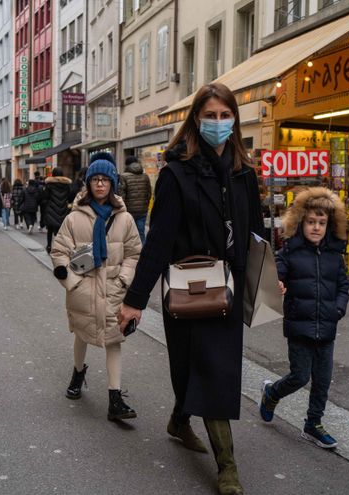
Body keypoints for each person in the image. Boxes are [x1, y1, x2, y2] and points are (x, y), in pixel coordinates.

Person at [117, 83, 263, 495]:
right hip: (189, 287)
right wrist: (134, 300)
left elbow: (256, 231)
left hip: (229, 287)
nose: (218, 123)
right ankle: (214, 451)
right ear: (195, 121)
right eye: (210, 116)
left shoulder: (243, 172)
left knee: (215, 370)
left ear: (234, 119)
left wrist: (268, 275)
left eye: (224, 115)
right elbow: (158, 241)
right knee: (192, 368)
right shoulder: (176, 174)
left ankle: (216, 454)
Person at [50, 153, 142, 421]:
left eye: (105, 180)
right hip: (84, 289)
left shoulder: (124, 219)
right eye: (95, 179)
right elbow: (59, 252)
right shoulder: (74, 218)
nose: (100, 184)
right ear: (88, 183)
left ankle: (115, 398)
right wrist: (73, 283)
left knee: (115, 340)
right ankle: (78, 373)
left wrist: (124, 278)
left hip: (114, 289)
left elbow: (134, 253)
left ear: (113, 183)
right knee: (82, 334)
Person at [257, 187, 349, 450]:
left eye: (322, 223)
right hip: (299, 326)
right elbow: (278, 274)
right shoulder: (290, 252)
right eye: (311, 222)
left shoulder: (334, 254)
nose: (316, 228)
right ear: (301, 222)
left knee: (322, 380)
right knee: (299, 377)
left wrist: (338, 310)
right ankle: (271, 393)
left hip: (327, 327)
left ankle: (313, 424)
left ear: (330, 225)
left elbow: (343, 286)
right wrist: (278, 283)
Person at [119, 156, 152, 243]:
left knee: (128, 235)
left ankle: (132, 254)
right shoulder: (145, 176)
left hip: (129, 211)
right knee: (141, 233)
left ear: (126, 165)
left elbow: (121, 195)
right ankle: (142, 254)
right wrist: (145, 205)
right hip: (142, 210)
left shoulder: (123, 176)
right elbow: (149, 193)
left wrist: (122, 209)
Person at [41, 167, 73, 253]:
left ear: (53, 174)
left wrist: (46, 206)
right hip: (63, 210)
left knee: (50, 230)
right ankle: (59, 248)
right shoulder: (67, 185)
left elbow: (45, 198)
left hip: (51, 209)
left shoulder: (49, 184)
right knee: (61, 231)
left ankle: (48, 246)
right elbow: (70, 197)